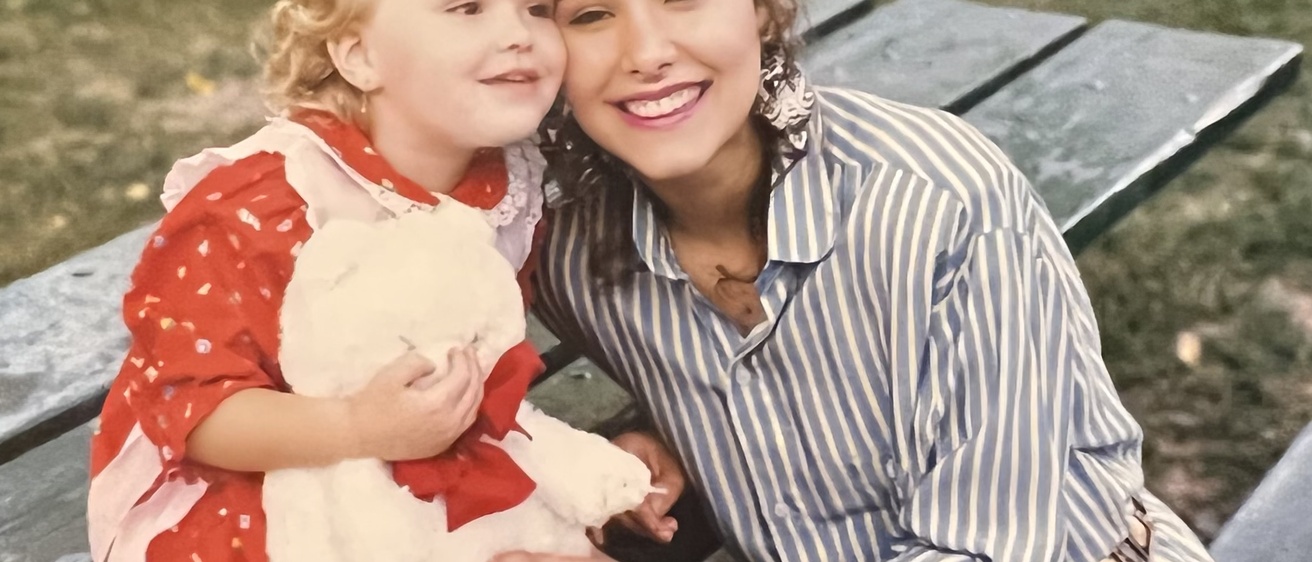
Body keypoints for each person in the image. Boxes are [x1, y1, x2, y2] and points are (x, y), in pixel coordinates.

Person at [509, 0, 1219, 559]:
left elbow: (989, 548)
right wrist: (672, 439)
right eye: (591, 15)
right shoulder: (578, 260)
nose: (647, 53)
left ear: (761, 8)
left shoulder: (940, 202)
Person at [86, 0, 567, 559]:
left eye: (537, 7)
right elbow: (191, 411)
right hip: (251, 482)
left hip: (414, 451)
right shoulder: (269, 200)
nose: (519, 33)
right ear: (360, 56)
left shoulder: (509, 180)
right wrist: (357, 428)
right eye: (467, 8)